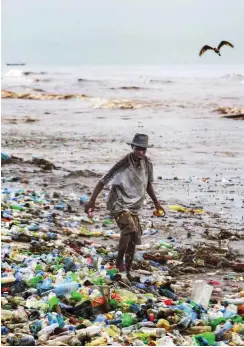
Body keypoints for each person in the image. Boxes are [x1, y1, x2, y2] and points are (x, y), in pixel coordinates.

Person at [85, 133, 165, 280]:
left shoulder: (147, 164)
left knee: (135, 236)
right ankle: (118, 261)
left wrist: (156, 202)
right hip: (119, 202)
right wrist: (92, 201)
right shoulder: (123, 163)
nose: (140, 152)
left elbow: (148, 184)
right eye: (138, 148)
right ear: (132, 147)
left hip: (134, 204)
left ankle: (127, 270)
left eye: (143, 149)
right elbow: (103, 181)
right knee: (129, 228)